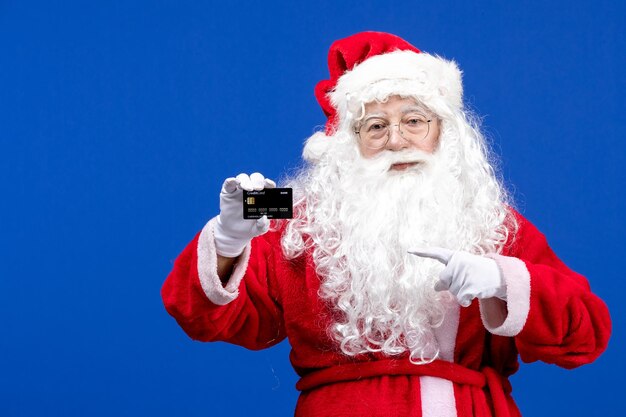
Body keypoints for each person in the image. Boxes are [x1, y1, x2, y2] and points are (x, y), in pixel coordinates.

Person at [161, 31, 611, 417]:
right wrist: (227, 238)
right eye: (375, 126)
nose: (397, 139)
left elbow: (587, 334)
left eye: (414, 120)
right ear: (346, 143)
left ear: (444, 131)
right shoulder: (297, 212)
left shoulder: (490, 218)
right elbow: (201, 317)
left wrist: (501, 281)